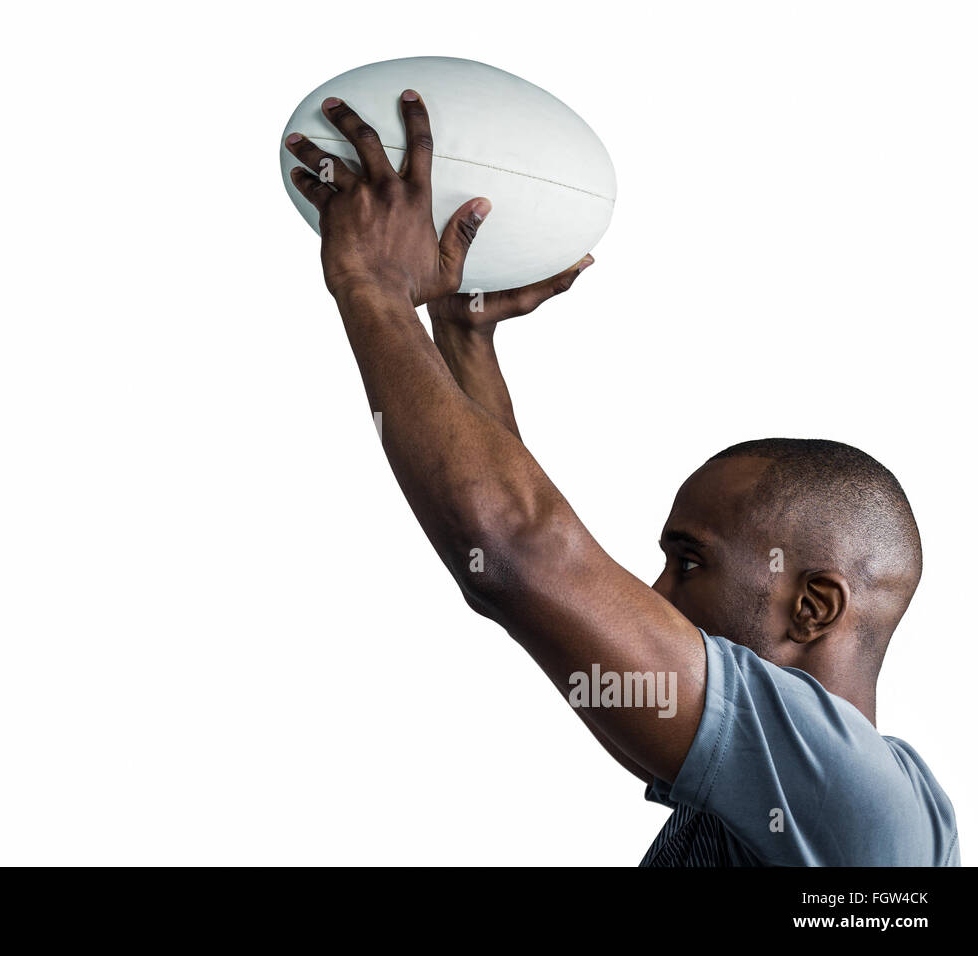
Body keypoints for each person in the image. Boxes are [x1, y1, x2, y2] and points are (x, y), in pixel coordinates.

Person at [284, 90, 958, 866]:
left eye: (691, 562)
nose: (656, 590)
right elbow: (535, 573)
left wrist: (373, 289)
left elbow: (515, 556)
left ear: (813, 607)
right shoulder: (809, 799)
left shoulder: (849, 798)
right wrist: (463, 337)